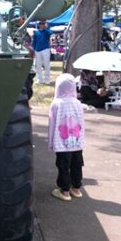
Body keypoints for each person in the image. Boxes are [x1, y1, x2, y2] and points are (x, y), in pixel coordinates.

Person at [48, 73, 85, 201]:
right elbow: (81, 124)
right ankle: (76, 189)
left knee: (63, 165)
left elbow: (52, 124)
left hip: (62, 142)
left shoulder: (56, 104)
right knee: (77, 164)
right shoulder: (78, 103)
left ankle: (65, 191)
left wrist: (51, 142)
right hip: (77, 142)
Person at [32, 20, 53, 85]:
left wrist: (46, 28)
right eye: (40, 23)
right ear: (39, 25)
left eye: (43, 23)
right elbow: (34, 42)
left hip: (45, 49)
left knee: (46, 65)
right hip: (37, 50)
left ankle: (47, 80)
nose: (42, 25)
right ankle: (39, 80)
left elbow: (51, 33)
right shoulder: (36, 32)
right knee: (38, 66)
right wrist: (33, 50)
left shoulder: (47, 31)